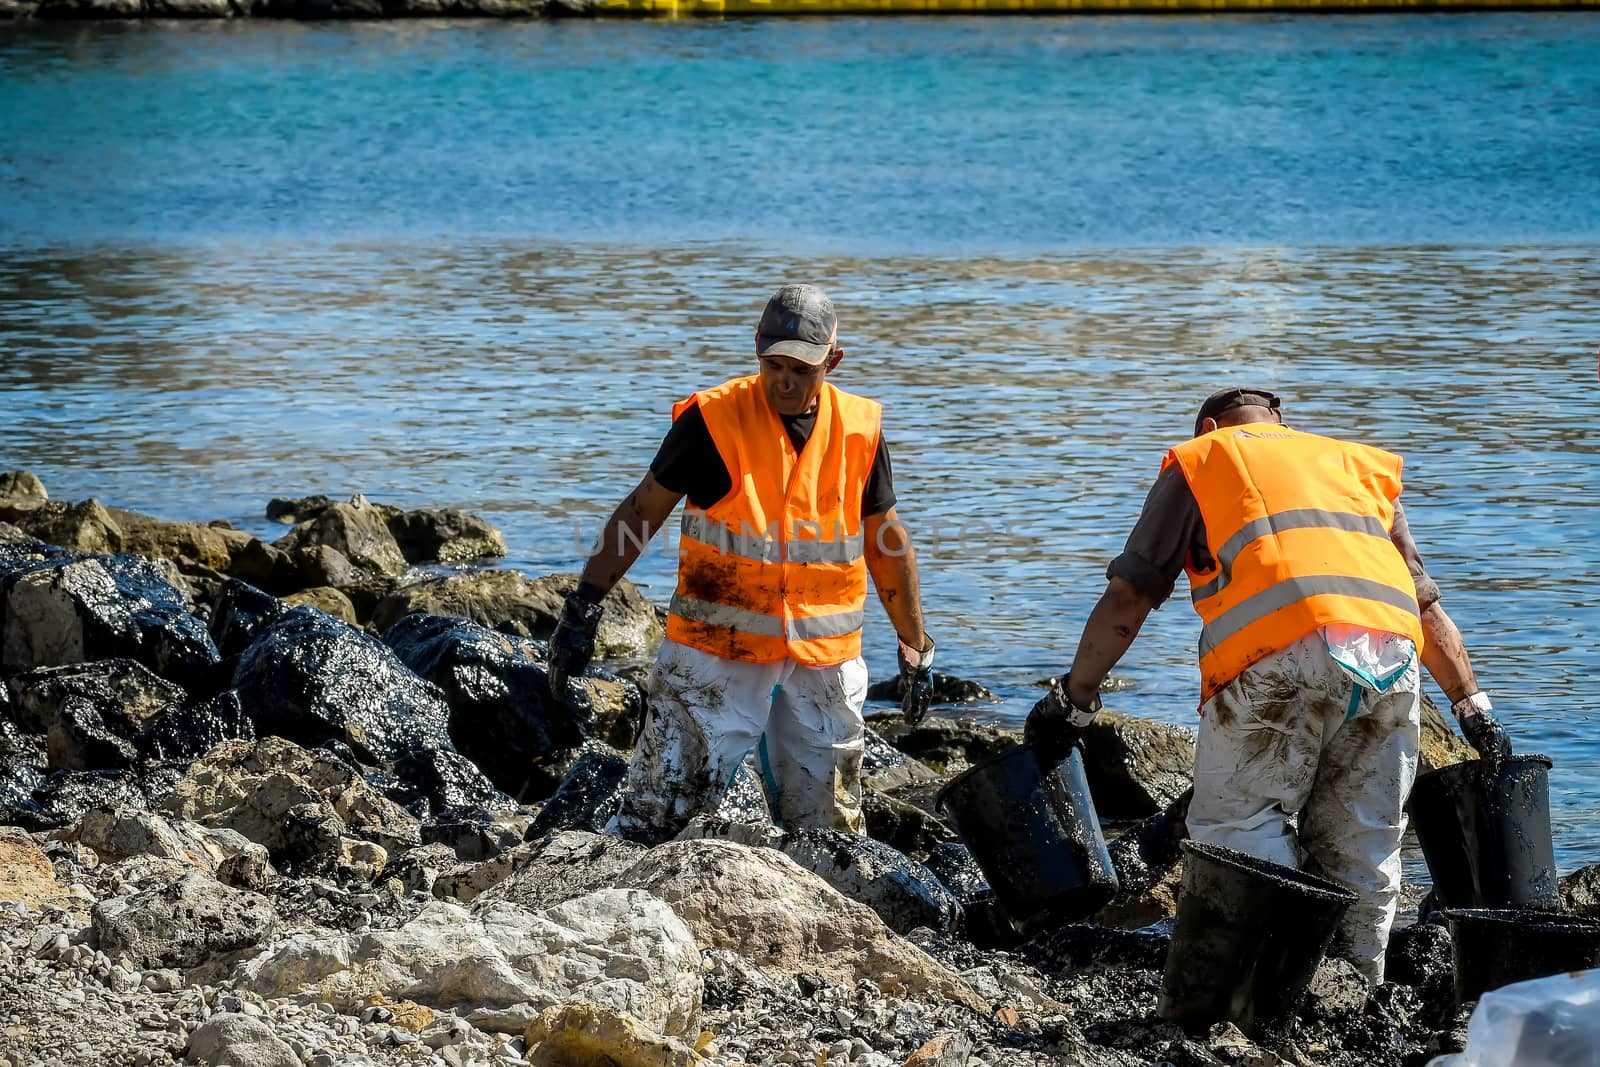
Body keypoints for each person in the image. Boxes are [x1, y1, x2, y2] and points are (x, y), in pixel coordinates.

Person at [1027, 387, 1513, 986]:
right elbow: (1425, 604)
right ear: (1284, 425)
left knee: (1243, 827)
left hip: (1279, 656)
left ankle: (1254, 995)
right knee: (1364, 841)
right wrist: (1473, 707)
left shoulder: (1206, 458)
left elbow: (1130, 598)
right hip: (1391, 658)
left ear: (1209, 424)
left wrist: (1074, 699)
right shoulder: (1353, 465)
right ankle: (1357, 994)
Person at [546, 283, 936, 844]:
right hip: (713, 655)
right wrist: (582, 608)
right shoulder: (712, 421)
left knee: (830, 833)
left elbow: (887, 544)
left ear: (834, 358)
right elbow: (641, 512)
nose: (785, 380)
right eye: (774, 364)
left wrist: (915, 647)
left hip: (823, 664)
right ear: (756, 347)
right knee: (661, 818)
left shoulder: (859, 431)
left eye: (802, 369)